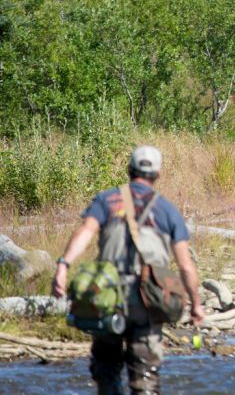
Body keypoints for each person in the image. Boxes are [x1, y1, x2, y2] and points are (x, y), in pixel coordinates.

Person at [52, 145, 205, 395]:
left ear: (129, 170)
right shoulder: (167, 210)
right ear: (157, 175)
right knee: (144, 376)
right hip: (148, 300)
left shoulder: (107, 200)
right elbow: (186, 267)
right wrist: (196, 303)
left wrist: (63, 265)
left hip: (107, 297)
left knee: (107, 370)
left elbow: (85, 232)